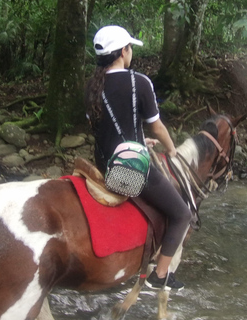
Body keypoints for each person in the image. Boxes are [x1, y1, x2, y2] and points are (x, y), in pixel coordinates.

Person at [85, 25, 191, 291]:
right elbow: (157, 126)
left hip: (102, 165)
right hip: (129, 169)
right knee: (182, 214)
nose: (130, 53)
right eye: (129, 48)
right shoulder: (139, 82)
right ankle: (161, 275)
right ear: (123, 51)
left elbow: (103, 128)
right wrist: (171, 149)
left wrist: (141, 142)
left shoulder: (90, 86)